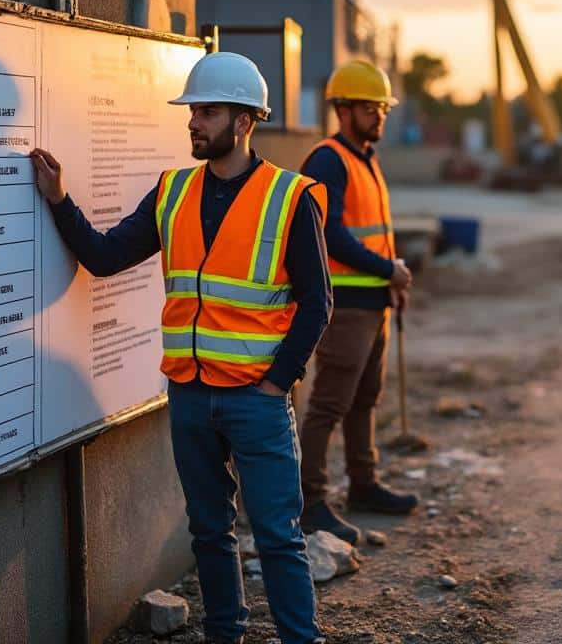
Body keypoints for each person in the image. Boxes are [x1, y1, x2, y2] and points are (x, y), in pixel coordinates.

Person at [28, 51, 330, 644]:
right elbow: (106, 256)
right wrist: (60, 200)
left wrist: (278, 381)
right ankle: (225, 632)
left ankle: (301, 638)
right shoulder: (172, 192)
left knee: (276, 534)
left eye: (207, 112)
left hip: (256, 401)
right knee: (209, 530)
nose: (193, 122)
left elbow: (318, 304)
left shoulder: (289, 198)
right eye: (193, 110)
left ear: (244, 121)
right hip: (190, 397)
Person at [297, 59, 418, 545]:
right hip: (345, 306)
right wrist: (389, 269)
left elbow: (370, 233)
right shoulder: (329, 159)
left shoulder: (365, 158)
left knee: (365, 399)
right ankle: (310, 503)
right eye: (371, 108)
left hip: (374, 302)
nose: (380, 116)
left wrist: (390, 281)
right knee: (329, 403)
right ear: (343, 109)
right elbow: (332, 233)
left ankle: (364, 485)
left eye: (383, 108)